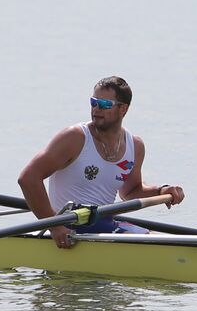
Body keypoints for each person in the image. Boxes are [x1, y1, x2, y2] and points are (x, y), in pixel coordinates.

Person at [17, 77, 183, 250]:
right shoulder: (74, 138)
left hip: (103, 224)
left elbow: (131, 192)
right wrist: (55, 227)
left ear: (123, 109)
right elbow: (28, 179)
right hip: (70, 226)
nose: (96, 109)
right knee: (159, 243)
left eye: (104, 104)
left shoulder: (135, 145)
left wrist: (161, 190)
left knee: (172, 241)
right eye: (93, 102)